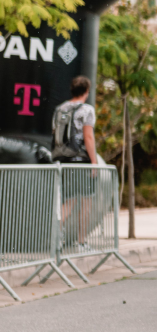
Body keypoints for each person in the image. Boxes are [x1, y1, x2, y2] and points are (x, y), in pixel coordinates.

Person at [52, 76, 98, 249]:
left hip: (63, 160)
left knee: (68, 202)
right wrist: (93, 161)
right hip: (81, 161)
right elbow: (88, 136)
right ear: (86, 91)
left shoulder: (59, 109)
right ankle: (81, 242)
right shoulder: (87, 110)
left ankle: (56, 238)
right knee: (86, 202)